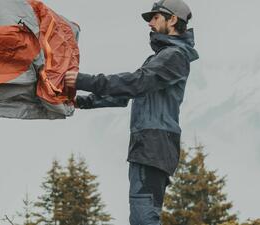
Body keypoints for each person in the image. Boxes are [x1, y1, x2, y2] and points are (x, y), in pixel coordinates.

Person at [63, 0, 198, 224]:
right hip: (151, 143)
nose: (150, 24)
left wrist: (83, 80)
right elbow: (128, 94)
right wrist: (83, 102)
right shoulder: (163, 57)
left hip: (154, 143)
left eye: (155, 17)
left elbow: (136, 83)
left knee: (143, 217)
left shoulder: (174, 55)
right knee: (143, 215)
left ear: (172, 20)